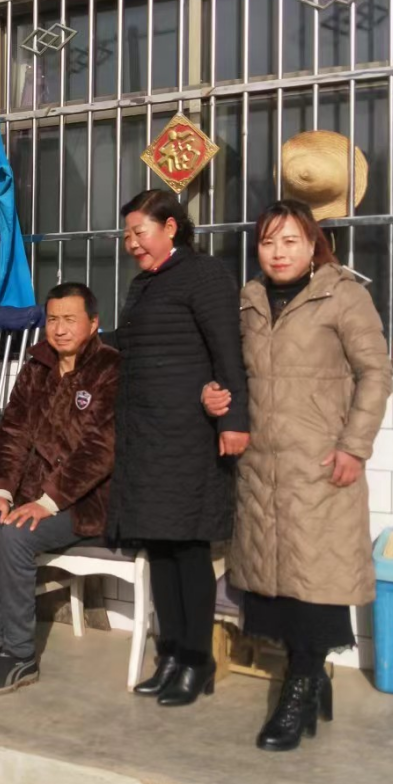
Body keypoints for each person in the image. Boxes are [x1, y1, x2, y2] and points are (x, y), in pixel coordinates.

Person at [202, 199, 393, 752]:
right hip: (261, 468)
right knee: (277, 588)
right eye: (268, 242)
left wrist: (354, 447)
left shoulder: (344, 294)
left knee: (315, 585)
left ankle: (299, 687)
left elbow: (376, 374)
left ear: (313, 245)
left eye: (290, 241)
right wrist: (213, 396)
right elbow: (231, 372)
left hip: (320, 466)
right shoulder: (249, 299)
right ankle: (313, 684)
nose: (278, 253)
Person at [108, 189, 250, 707]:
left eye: (139, 232)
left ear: (170, 227)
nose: (131, 243)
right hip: (147, 438)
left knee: (189, 549)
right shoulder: (144, 283)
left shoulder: (204, 275)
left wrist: (234, 419)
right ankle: (169, 655)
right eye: (127, 235)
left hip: (189, 436)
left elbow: (227, 351)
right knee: (159, 547)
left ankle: (197, 659)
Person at [0, 282, 118, 695]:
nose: (59, 329)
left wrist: (49, 501)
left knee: (17, 534)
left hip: (88, 504)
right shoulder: (36, 366)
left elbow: (101, 448)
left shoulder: (111, 368)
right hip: (32, 499)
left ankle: (20, 654)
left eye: (70, 319)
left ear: (93, 323)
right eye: (53, 319)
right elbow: (13, 434)